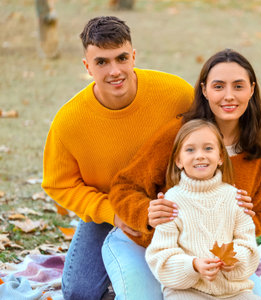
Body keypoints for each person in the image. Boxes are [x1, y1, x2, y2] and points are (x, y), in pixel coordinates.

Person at [41, 16, 194, 300]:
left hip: (176, 204)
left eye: (121, 58)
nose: (114, 71)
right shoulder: (69, 122)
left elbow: (208, 139)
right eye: (101, 62)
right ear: (87, 66)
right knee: (79, 292)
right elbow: (58, 184)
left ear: (133, 56)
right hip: (112, 210)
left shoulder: (177, 94)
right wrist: (110, 212)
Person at [105, 48, 261, 299]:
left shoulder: (258, 144)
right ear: (204, 90)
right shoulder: (180, 135)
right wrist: (147, 213)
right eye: (218, 86)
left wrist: (242, 219)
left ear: (251, 89)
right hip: (148, 245)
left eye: (238, 86)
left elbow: (260, 213)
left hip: (213, 260)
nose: (229, 96)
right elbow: (123, 187)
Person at [147, 119, 261, 299]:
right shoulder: (172, 202)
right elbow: (162, 254)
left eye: (208, 148)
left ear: (221, 157)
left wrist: (234, 259)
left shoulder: (235, 197)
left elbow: (248, 245)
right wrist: (193, 265)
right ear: (178, 160)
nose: (200, 155)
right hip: (189, 291)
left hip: (233, 291)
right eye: (190, 150)